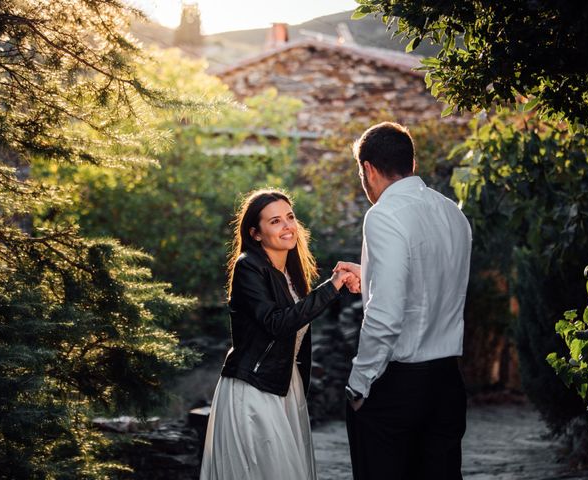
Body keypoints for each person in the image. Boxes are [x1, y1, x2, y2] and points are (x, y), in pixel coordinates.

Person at [335, 122, 472, 480]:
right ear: (410, 162)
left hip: (398, 388)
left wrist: (358, 383)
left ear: (368, 169)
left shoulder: (383, 215)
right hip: (447, 383)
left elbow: (386, 315)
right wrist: (372, 278)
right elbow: (437, 283)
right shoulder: (453, 213)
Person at [199, 188, 358, 480]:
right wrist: (332, 287)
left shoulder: (290, 273)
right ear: (255, 233)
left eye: (290, 217)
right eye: (274, 221)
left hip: (285, 382)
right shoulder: (248, 265)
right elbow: (276, 322)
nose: (287, 226)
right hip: (255, 387)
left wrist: (345, 280)